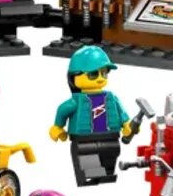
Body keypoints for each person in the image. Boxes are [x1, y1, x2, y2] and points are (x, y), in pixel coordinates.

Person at [50, 46, 133, 186]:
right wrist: (57, 127)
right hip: (84, 140)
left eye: (104, 73)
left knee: (110, 159)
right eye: (93, 74)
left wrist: (127, 124)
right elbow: (62, 110)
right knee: (89, 162)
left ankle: (106, 175)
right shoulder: (76, 101)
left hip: (110, 138)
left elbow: (122, 113)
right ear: (74, 76)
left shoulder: (111, 98)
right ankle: (93, 177)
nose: (100, 79)